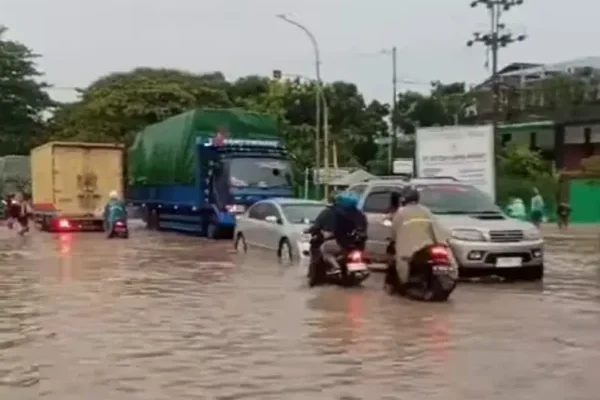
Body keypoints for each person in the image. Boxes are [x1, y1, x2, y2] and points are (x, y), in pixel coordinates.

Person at [389, 185, 454, 287]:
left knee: (401, 260)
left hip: (409, 249)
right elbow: (437, 229)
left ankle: (404, 284)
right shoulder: (426, 211)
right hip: (428, 245)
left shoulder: (401, 212)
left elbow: (394, 231)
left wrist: (393, 240)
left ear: (404, 199)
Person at [306, 192, 367, 283]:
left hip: (343, 243)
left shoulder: (337, 213)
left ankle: (335, 267)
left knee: (324, 248)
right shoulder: (360, 215)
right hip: (358, 245)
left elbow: (329, 229)